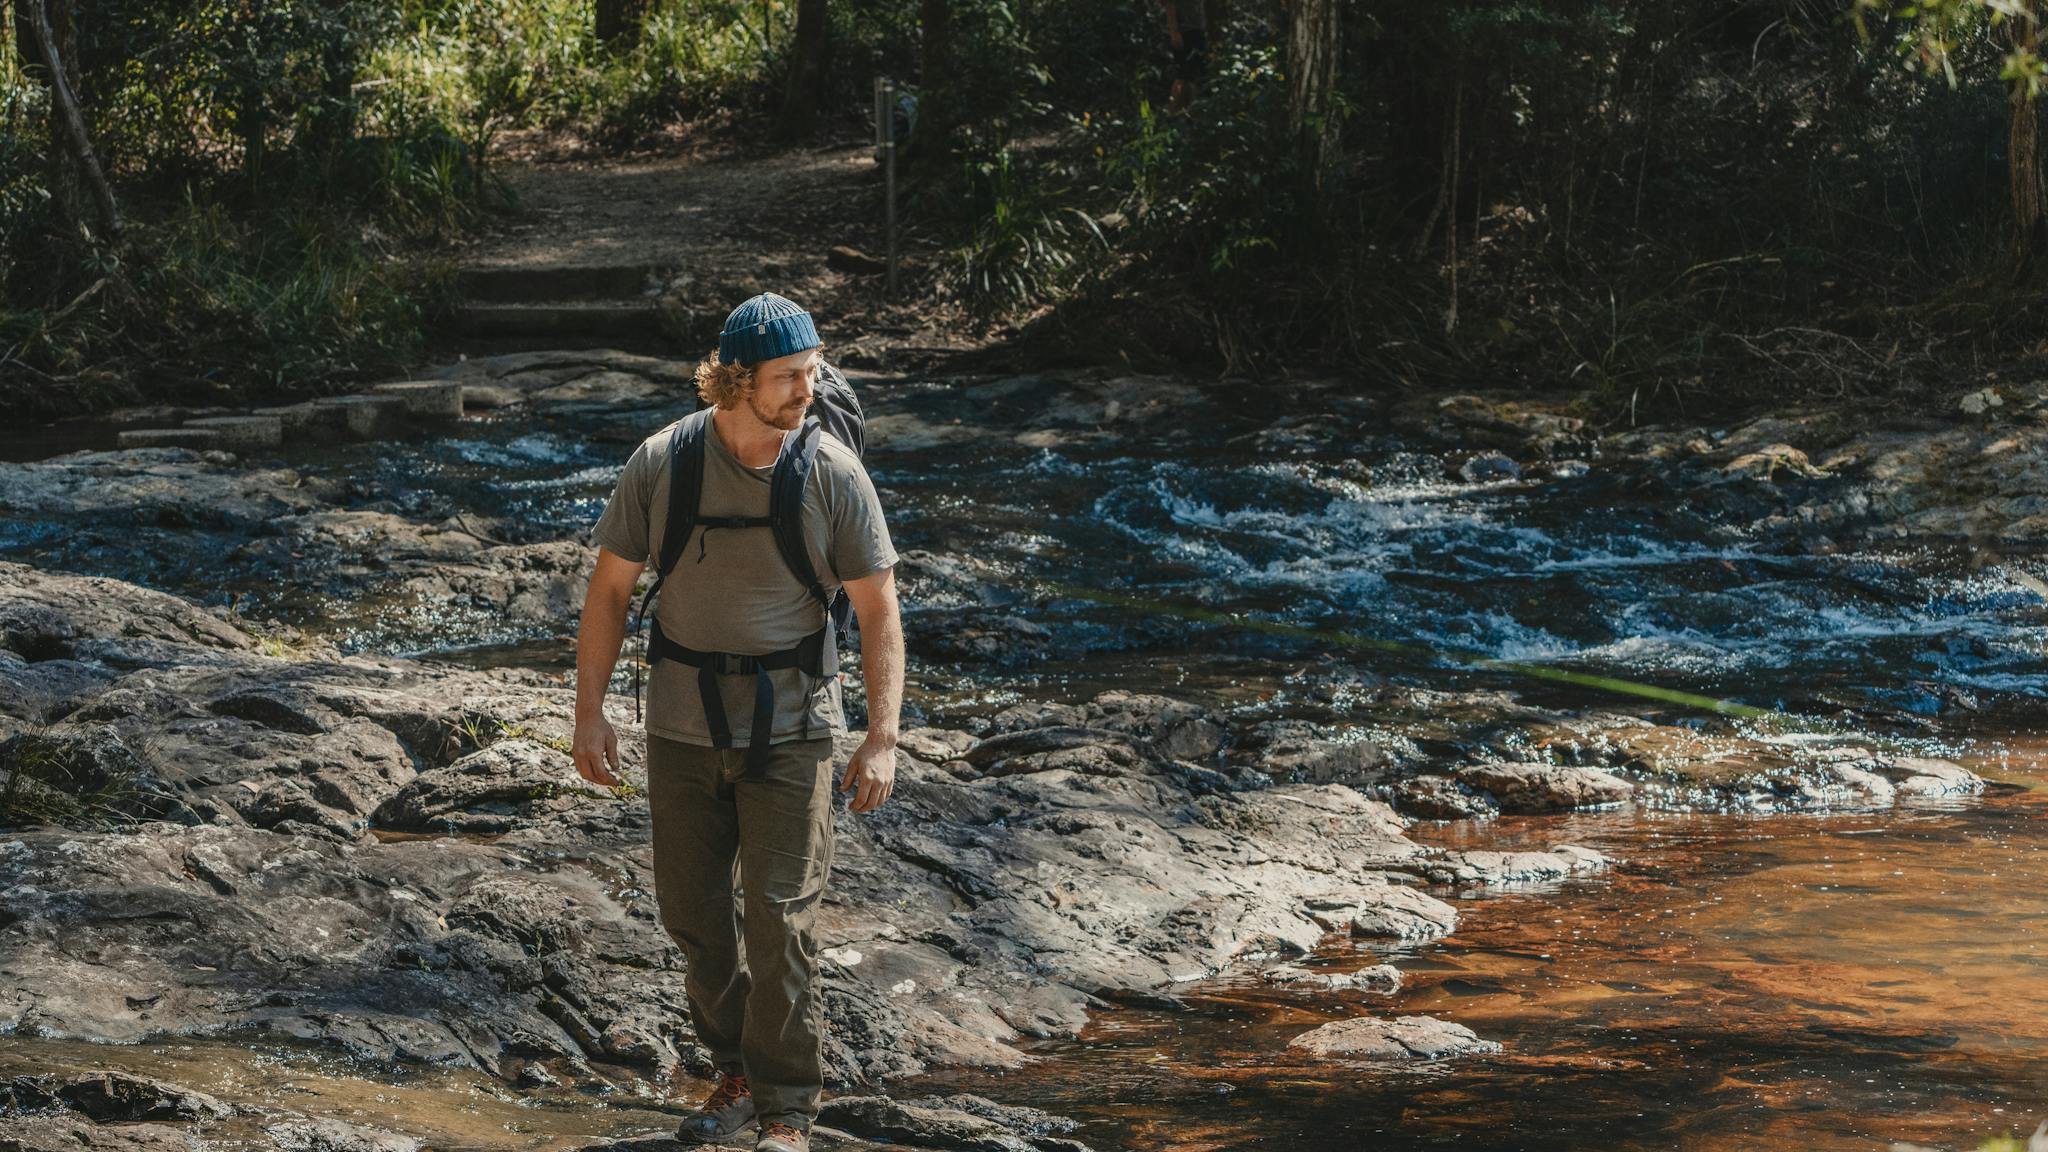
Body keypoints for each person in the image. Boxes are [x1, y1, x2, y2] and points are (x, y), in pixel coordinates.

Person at [571, 292, 904, 1152]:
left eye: (811, 370)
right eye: (789, 376)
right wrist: (590, 715)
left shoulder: (832, 471)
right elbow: (609, 593)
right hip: (681, 729)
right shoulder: (663, 464)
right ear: (733, 382)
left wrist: (881, 736)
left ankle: (789, 1108)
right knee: (692, 916)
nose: (809, 388)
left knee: (781, 917)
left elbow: (879, 611)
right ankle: (736, 1071)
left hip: (794, 730)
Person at [1161, 0, 1209, 114]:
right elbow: (1169, 4)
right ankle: (1172, 112)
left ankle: (1190, 112)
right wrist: (1174, 32)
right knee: (1183, 75)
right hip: (1185, 33)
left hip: (1197, 31)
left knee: (1194, 75)